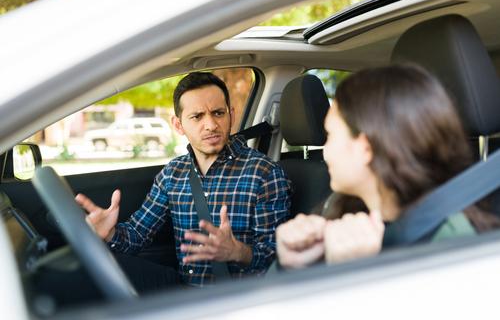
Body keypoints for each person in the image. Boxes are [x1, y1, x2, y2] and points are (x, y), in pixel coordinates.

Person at [76, 72, 291, 287]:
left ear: (231, 115)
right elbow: (137, 236)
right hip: (185, 289)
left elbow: (277, 258)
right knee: (91, 269)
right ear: (178, 125)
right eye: (197, 116)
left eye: (218, 113)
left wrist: (238, 252)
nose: (211, 125)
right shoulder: (172, 174)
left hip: (238, 297)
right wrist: (111, 233)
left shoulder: (264, 173)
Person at [277, 64, 499, 269]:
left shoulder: (453, 244)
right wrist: (288, 265)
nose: (325, 151)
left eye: (330, 136)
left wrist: (354, 274)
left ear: (365, 148)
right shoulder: (342, 206)